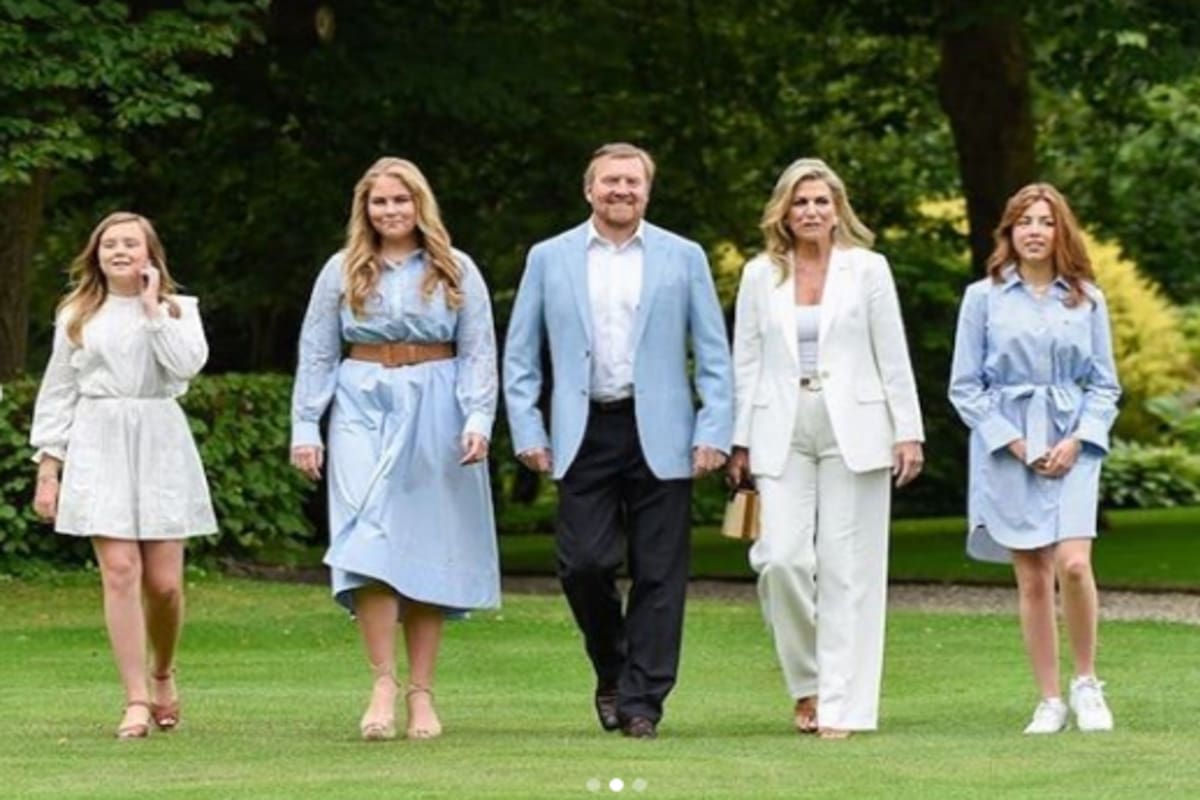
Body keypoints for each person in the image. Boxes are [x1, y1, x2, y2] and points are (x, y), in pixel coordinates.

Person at [503, 142, 733, 739]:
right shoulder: (549, 258)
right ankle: (613, 666)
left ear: (647, 192)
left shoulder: (683, 257)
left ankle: (642, 704)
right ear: (589, 190)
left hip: (663, 432)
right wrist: (527, 427)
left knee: (660, 573)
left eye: (632, 182)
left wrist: (714, 429)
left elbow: (714, 355)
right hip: (583, 430)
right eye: (610, 181)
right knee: (583, 564)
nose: (621, 191)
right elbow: (521, 356)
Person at [290, 157, 500, 741]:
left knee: (426, 544)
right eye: (380, 202)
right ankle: (382, 679)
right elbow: (317, 350)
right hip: (361, 403)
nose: (390, 211)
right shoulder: (341, 271)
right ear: (366, 209)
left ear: (419, 206)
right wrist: (306, 425)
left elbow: (479, 350)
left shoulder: (455, 269)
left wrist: (478, 417)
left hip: (437, 404)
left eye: (400, 202)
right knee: (369, 539)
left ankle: (422, 693)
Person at [726, 158, 925, 739]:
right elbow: (747, 361)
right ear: (783, 212)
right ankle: (808, 683)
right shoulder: (760, 274)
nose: (810, 211)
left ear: (838, 209)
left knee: (848, 571)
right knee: (781, 560)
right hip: (778, 427)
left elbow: (893, 354)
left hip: (856, 428)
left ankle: (842, 706)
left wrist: (907, 429)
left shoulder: (869, 270)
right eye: (799, 202)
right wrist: (738, 440)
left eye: (820, 201)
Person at [30, 211, 217, 739]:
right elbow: (59, 390)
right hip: (98, 439)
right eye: (109, 244)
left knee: (164, 585)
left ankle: (162, 674)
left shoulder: (181, 310)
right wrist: (50, 467)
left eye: (130, 243)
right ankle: (134, 697)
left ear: (149, 253)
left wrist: (155, 310)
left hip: (158, 440)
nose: (119, 251)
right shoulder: (77, 313)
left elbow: (186, 365)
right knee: (119, 570)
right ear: (96, 253)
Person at [948, 183, 1121, 735]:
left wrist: (1079, 439)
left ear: (1060, 230)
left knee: (1073, 562)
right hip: (1009, 448)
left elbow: (1105, 386)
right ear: (1009, 231)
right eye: (1024, 220)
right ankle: (1049, 698)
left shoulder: (1088, 299)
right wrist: (1015, 443)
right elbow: (965, 387)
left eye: (1045, 221)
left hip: (1075, 443)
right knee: (1032, 576)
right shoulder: (983, 298)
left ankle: (1087, 682)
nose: (1035, 230)